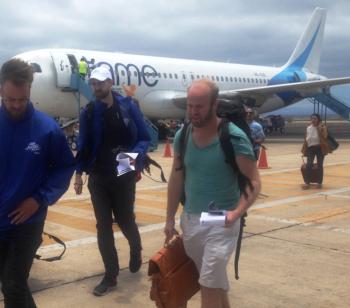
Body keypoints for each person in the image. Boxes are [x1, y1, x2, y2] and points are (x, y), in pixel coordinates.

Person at [0, 58, 75, 308]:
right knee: (11, 284)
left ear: (29, 91)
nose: (16, 105)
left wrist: (38, 199)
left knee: (14, 285)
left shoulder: (47, 129)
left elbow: (64, 168)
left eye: (22, 99)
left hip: (29, 220)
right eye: (10, 99)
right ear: (1, 91)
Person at [164, 80, 261, 308]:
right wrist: (169, 218)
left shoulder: (233, 137)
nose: (193, 112)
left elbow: (254, 181)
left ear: (214, 105)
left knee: (208, 282)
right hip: (191, 218)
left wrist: (235, 213)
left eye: (199, 106)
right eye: (190, 106)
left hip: (222, 219)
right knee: (213, 282)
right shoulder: (183, 135)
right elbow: (176, 177)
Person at [74, 66, 151, 296]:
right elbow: (83, 144)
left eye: (101, 83)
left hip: (123, 171)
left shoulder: (128, 106)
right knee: (103, 226)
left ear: (110, 82)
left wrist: (127, 162)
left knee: (126, 220)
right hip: (98, 175)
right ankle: (111, 274)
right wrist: (78, 173)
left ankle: (135, 249)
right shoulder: (88, 111)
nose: (97, 87)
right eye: (93, 84)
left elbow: (145, 139)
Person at [301, 113, 330, 189]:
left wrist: (320, 128)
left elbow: (325, 136)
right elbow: (306, 139)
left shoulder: (322, 127)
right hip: (310, 148)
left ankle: (319, 183)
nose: (313, 120)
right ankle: (307, 183)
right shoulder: (308, 128)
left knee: (320, 165)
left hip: (320, 148)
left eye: (315, 118)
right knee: (309, 165)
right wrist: (304, 150)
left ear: (318, 120)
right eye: (312, 118)